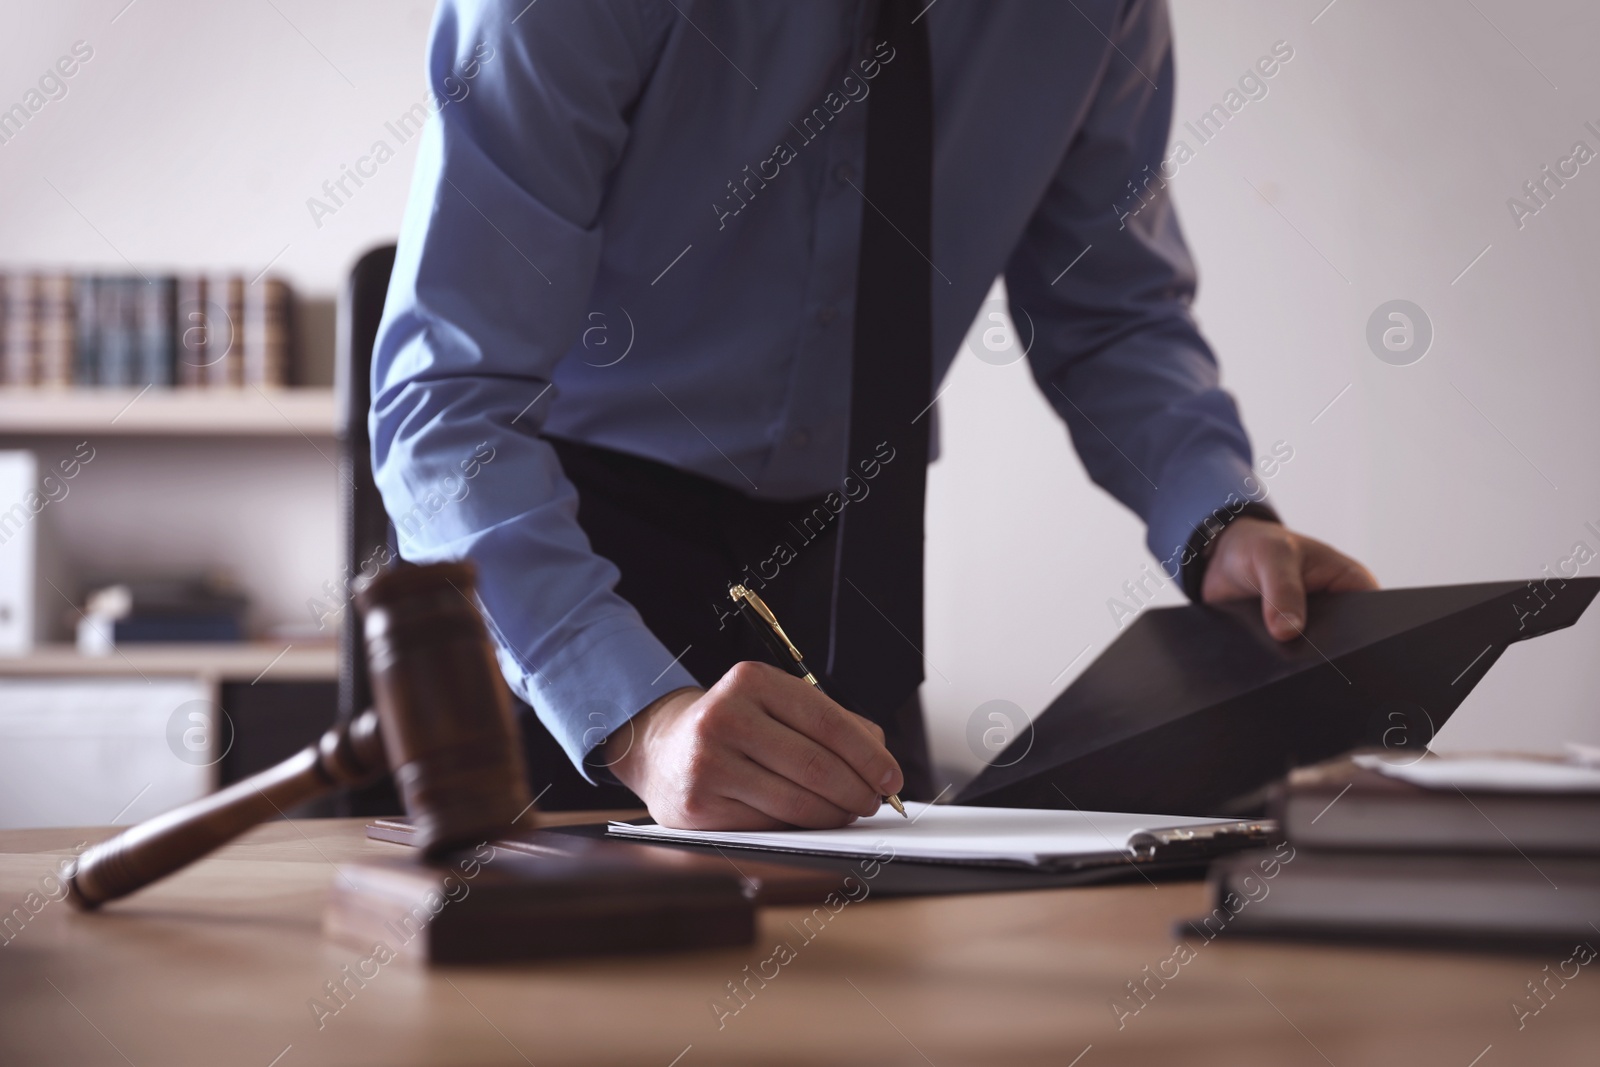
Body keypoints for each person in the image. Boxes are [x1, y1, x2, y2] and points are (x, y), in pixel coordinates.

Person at [371, 0, 1377, 831]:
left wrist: (1217, 519)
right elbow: (444, 403)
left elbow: (1112, 313)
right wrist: (637, 716)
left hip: (856, 565)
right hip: (565, 564)